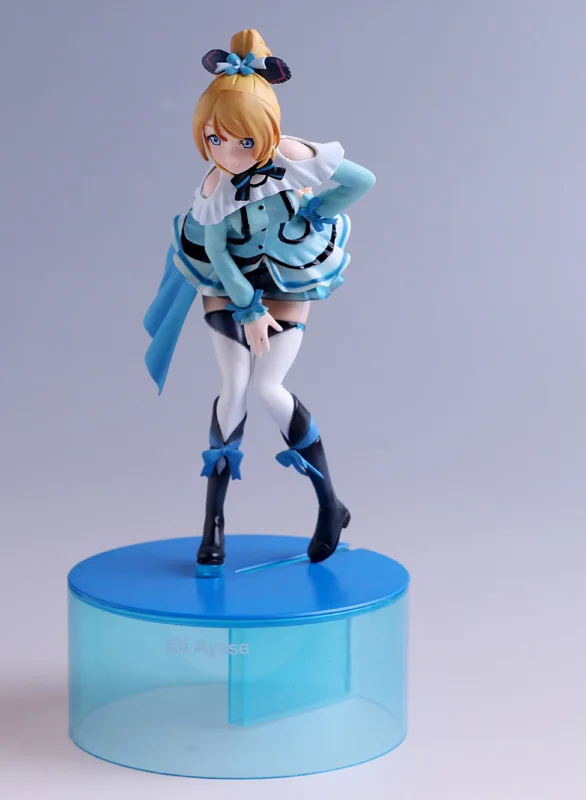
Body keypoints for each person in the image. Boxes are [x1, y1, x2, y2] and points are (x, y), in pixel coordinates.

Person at [144, 29, 376, 570]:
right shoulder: (214, 187)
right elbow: (218, 253)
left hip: (288, 275)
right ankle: (214, 521)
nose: (228, 153)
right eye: (214, 139)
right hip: (229, 284)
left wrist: (317, 211)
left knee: (270, 388)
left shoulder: (293, 155)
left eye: (243, 142)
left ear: (267, 132)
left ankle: (330, 504)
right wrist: (248, 309)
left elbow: (361, 181)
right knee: (234, 389)